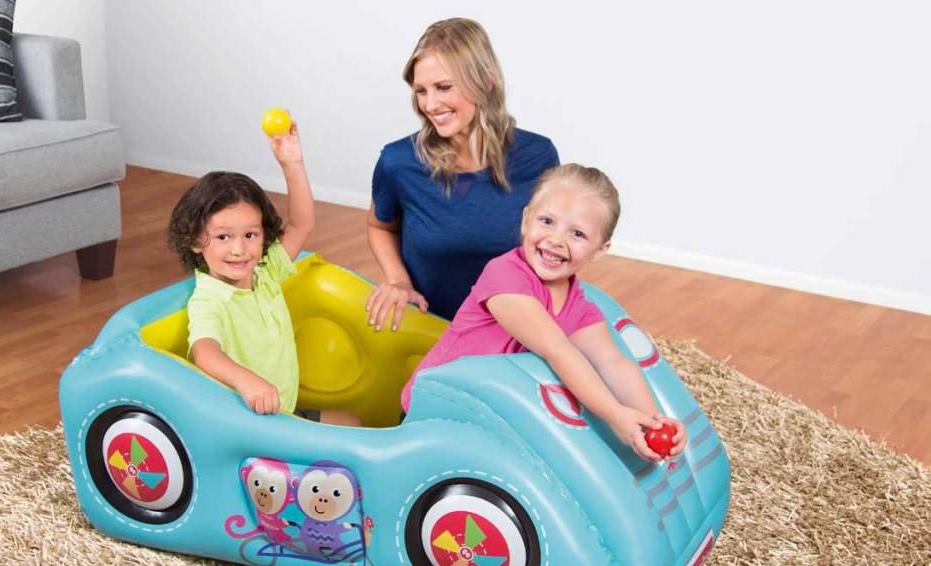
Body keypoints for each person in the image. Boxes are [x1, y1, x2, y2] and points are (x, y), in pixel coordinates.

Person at [401, 164, 686, 462]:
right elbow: (558, 351)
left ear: (600, 250)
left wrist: (652, 421)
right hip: (437, 413)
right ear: (526, 220)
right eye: (547, 221)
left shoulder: (578, 304)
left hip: (497, 423)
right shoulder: (504, 277)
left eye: (577, 233)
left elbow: (611, 362)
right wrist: (615, 415)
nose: (556, 240)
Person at [366, 17, 559, 330]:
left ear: (485, 79)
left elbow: (556, 241)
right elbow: (380, 226)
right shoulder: (398, 161)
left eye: (443, 87)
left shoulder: (539, 156)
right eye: (421, 91)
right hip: (433, 328)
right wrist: (398, 281)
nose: (430, 104)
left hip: (518, 328)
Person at [168, 125, 359, 426]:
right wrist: (247, 382)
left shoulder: (265, 272)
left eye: (250, 234)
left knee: (352, 423)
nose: (239, 249)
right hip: (247, 422)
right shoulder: (209, 298)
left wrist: (292, 164)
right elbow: (205, 351)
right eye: (222, 237)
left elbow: (301, 224)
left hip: (281, 411)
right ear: (194, 240)